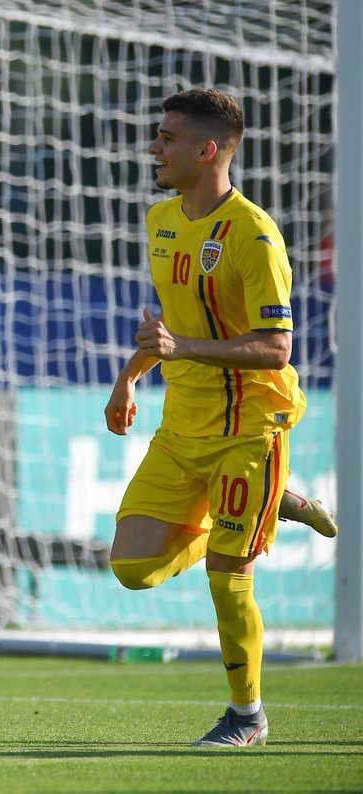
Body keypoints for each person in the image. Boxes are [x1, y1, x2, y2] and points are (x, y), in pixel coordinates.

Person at [104, 88, 337, 748]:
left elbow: (276, 348)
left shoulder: (254, 236)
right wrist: (130, 376)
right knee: (131, 567)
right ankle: (272, 505)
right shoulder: (161, 220)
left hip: (249, 429)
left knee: (228, 577)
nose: (154, 147)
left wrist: (180, 348)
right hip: (182, 427)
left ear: (208, 150)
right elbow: (174, 326)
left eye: (167, 137)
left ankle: (247, 717)